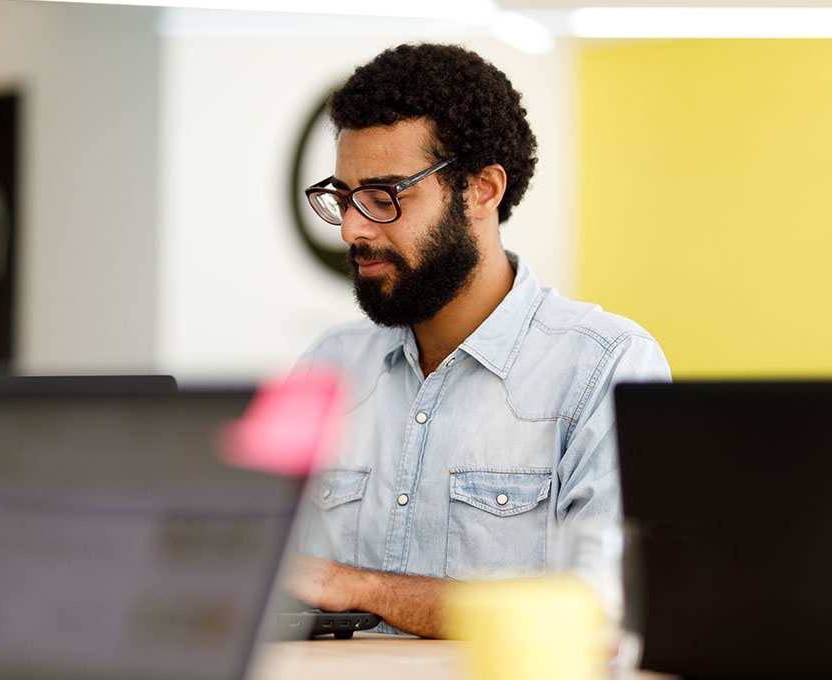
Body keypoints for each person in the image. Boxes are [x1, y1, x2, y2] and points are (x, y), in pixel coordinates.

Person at [284, 43, 671, 638]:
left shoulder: (609, 365)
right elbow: (245, 557)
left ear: (483, 190)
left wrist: (363, 589)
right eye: (344, 197)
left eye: (385, 198)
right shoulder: (322, 367)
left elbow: (604, 608)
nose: (356, 228)